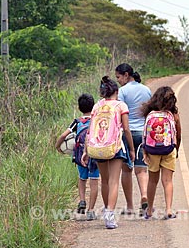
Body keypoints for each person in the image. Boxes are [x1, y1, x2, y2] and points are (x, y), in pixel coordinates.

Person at [82, 76, 135, 229]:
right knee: (113, 181)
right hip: (115, 147)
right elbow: (126, 129)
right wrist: (131, 149)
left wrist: (86, 150)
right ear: (116, 92)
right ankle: (110, 214)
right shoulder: (121, 105)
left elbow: (90, 130)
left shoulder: (96, 106)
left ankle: (106, 208)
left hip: (97, 148)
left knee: (104, 180)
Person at [55, 93, 99, 221]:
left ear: (79, 108)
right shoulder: (95, 120)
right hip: (94, 153)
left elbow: (64, 136)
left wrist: (58, 146)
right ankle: (91, 210)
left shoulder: (77, 121)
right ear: (93, 106)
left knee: (82, 178)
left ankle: (82, 200)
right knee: (94, 181)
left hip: (80, 154)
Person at [115, 63, 152, 215]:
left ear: (126, 75)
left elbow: (120, 112)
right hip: (143, 133)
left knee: (126, 170)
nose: (117, 80)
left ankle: (130, 206)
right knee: (142, 169)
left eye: (118, 77)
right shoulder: (146, 90)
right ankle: (144, 195)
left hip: (127, 134)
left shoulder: (122, 92)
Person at [141, 86, 181, 220]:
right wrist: (176, 150)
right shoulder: (173, 115)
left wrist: (145, 151)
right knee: (168, 180)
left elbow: (145, 135)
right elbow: (178, 134)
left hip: (152, 151)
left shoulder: (150, 114)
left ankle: (149, 211)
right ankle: (169, 209)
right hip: (168, 149)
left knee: (152, 181)